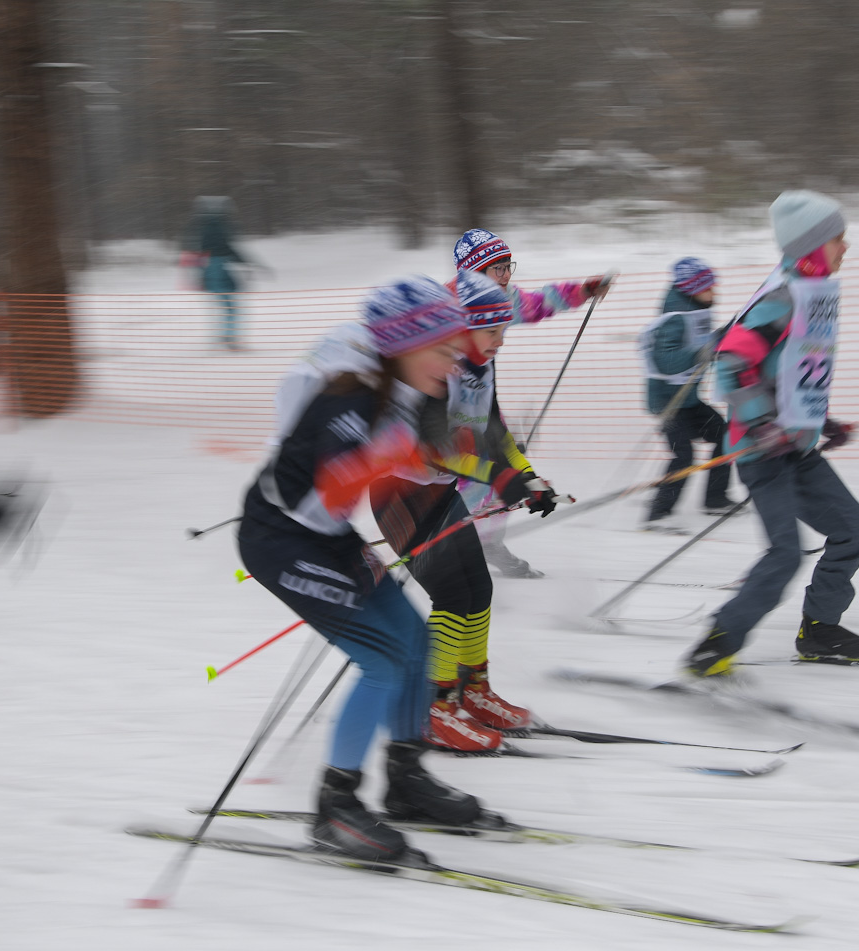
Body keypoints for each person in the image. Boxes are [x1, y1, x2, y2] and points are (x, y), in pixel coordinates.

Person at [237, 276, 494, 865]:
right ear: (403, 345)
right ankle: (336, 806)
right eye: (443, 351)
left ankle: (405, 780)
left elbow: (425, 459)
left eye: (457, 354)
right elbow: (324, 497)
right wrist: (392, 458)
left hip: (325, 539)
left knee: (416, 639)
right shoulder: (348, 398)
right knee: (380, 659)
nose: (453, 365)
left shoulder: (403, 389)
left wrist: (497, 473)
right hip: (281, 540)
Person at [684, 190, 859, 676]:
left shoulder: (811, 293)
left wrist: (822, 420)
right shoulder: (781, 297)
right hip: (760, 451)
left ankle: (819, 632)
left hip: (796, 448)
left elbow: (796, 371)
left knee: (854, 531)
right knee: (785, 553)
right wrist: (764, 425)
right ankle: (716, 642)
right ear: (812, 246)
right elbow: (731, 364)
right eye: (838, 239)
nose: (845, 248)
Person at [379, 271, 559, 747]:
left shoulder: (482, 366)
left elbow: (494, 432)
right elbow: (435, 449)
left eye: (504, 330)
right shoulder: (437, 371)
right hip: (399, 492)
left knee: (478, 588)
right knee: (451, 594)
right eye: (492, 331)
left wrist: (529, 476)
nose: (501, 340)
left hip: (437, 490)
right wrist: (502, 478)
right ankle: (436, 706)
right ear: (464, 329)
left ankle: (473, 690)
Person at [451, 229, 611, 579]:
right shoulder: (449, 310)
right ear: (474, 271)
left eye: (509, 265)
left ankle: (488, 542)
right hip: (444, 404)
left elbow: (538, 303)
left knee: (506, 474)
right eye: (498, 268)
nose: (507, 275)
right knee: (473, 476)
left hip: (482, 396)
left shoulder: (501, 297)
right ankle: (456, 549)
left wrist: (582, 291)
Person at [640, 257, 737, 531]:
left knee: (726, 435)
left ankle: (715, 499)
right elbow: (665, 361)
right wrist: (703, 351)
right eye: (709, 287)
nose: (714, 292)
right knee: (683, 456)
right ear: (692, 289)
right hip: (668, 403)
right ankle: (657, 516)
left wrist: (727, 333)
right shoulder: (674, 319)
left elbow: (705, 344)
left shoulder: (697, 311)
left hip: (689, 399)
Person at [184, 196, 250, 350]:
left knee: (225, 305)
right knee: (231, 307)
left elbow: (199, 252)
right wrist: (245, 262)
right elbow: (228, 249)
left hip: (209, 268)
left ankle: (225, 335)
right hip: (218, 268)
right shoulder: (220, 226)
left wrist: (200, 275)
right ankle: (230, 337)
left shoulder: (203, 226)